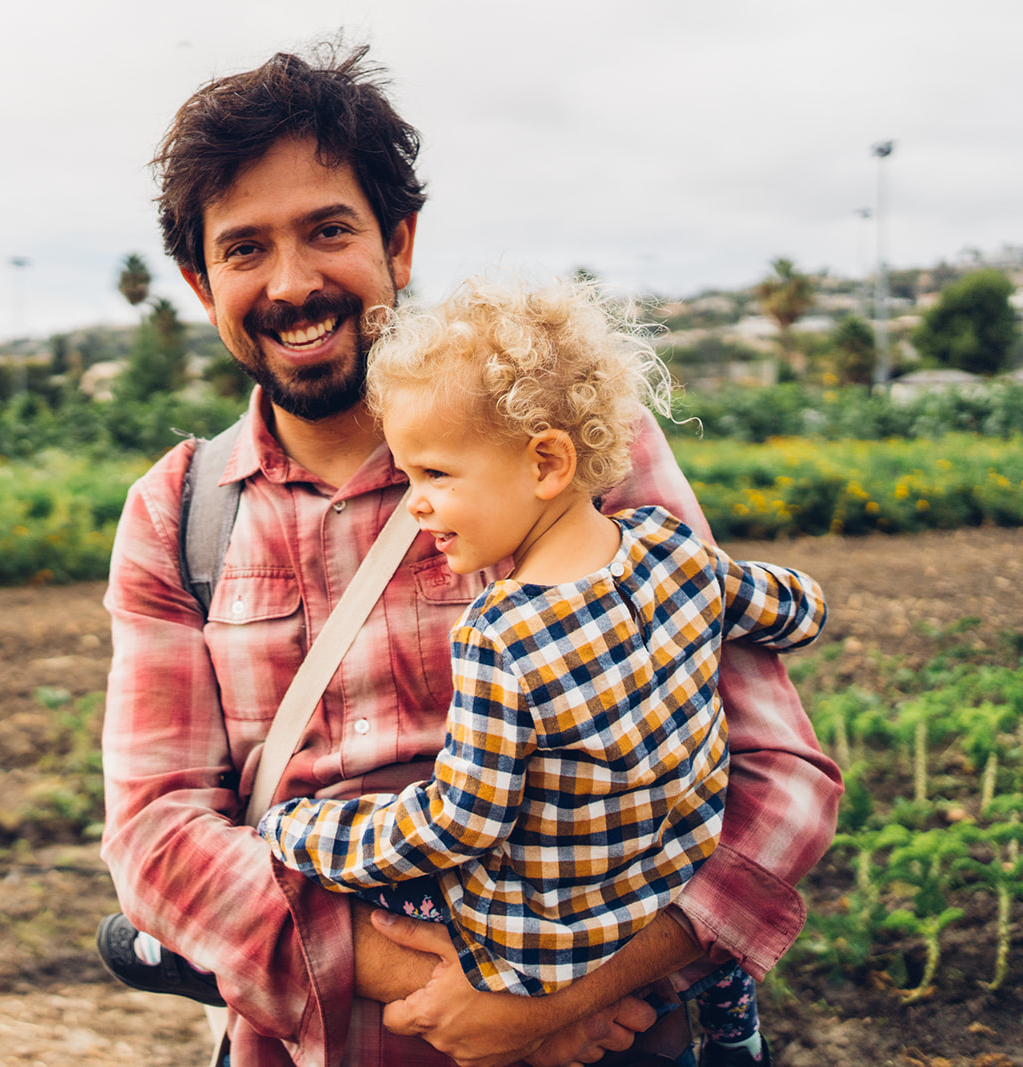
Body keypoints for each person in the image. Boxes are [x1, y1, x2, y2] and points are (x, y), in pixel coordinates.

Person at [99, 43, 841, 1067]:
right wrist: (469, 982)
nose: (293, 283)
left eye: (327, 230)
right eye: (243, 249)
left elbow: (779, 775)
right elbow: (156, 837)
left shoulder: (569, 451)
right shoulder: (179, 515)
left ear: (398, 242)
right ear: (198, 283)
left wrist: (575, 988)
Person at [254, 276, 826, 1067]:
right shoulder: (672, 548)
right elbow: (790, 608)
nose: (412, 504)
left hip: (545, 931)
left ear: (547, 461)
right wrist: (801, 600)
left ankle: (173, 950)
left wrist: (306, 830)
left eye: (435, 475)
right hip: (667, 877)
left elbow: (461, 824)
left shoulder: (500, 636)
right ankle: (730, 1013)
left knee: (361, 886)